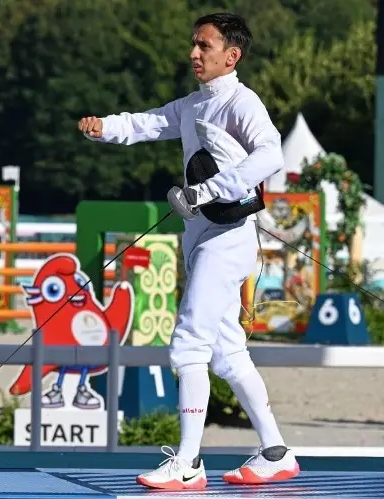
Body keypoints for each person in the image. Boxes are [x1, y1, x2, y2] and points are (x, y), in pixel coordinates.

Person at [78, 12, 299, 490]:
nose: (194, 54)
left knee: (188, 346)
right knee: (227, 355)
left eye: (204, 46)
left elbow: (271, 153)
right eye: (193, 45)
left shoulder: (242, 102)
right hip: (202, 237)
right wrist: (105, 127)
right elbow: (149, 122)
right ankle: (276, 452)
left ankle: (189, 461)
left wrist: (205, 192)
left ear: (231, 55)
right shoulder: (196, 104)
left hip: (229, 236)